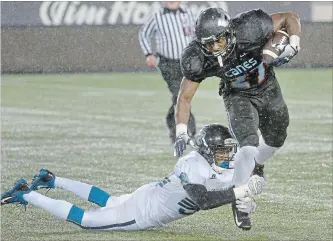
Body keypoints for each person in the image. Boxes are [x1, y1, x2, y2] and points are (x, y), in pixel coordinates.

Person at [173, 8, 301, 230]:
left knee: (276, 139)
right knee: (247, 146)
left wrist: (294, 42)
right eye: (209, 43)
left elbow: (290, 18)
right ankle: (240, 200)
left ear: (230, 32)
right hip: (237, 95)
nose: (215, 47)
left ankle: (258, 166)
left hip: (267, 86)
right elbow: (184, 97)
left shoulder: (250, 28)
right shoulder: (197, 58)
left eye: (219, 40)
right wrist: (181, 130)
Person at [1, 124, 264, 231]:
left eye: (229, 149)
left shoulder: (221, 166)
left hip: (148, 196)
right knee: (86, 220)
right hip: (144, 211)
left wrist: (242, 207)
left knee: (110, 201)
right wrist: (240, 193)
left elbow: (231, 186)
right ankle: (26, 192)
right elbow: (203, 199)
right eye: (222, 150)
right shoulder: (191, 163)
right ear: (207, 151)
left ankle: (52, 179)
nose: (228, 155)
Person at [139, 1, 197, 143]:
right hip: (168, 63)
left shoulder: (189, 13)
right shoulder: (157, 16)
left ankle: (172, 121)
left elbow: (197, 33)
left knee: (184, 95)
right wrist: (148, 54)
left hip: (186, 62)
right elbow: (144, 34)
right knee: (179, 94)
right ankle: (188, 128)